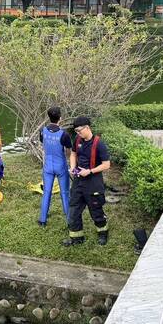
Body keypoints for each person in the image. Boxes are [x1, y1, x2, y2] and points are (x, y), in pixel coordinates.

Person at [63, 116, 111, 247]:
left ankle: (103, 233)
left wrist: (89, 171)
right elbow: (73, 153)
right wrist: (72, 167)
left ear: (87, 128)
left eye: (79, 130)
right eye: (76, 131)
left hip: (93, 182)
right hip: (78, 182)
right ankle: (77, 238)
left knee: (96, 211)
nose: (77, 133)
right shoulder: (78, 140)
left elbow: (106, 165)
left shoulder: (99, 144)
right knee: (74, 210)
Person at [38, 106, 72, 227]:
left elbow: (43, 143)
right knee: (64, 193)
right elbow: (68, 151)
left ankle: (42, 220)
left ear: (49, 117)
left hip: (48, 166)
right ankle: (69, 221)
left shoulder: (42, 131)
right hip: (61, 166)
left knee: (47, 192)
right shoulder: (64, 134)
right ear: (60, 118)